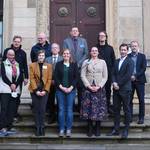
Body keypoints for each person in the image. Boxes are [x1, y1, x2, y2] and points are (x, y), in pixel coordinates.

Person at [80, 47, 108, 137]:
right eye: (92, 51)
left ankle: (97, 128)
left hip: (99, 88)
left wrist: (99, 86)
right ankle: (90, 128)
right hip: (88, 89)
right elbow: (82, 75)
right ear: (90, 52)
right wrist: (88, 86)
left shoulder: (103, 62)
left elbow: (105, 76)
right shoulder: (86, 62)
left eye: (96, 51)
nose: (94, 52)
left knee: (99, 108)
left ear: (98, 52)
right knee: (88, 109)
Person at [108, 43, 133, 139]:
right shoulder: (116, 61)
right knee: (116, 110)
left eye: (124, 50)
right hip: (116, 90)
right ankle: (116, 129)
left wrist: (118, 84)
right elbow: (113, 73)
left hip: (125, 89)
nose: (123, 51)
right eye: (121, 50)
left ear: (127, 51)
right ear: (119, 50)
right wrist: (114, 82)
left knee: (126, 110)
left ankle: (126, 129)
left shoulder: (130, 61)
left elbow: (128, 75)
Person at [2, 35, 28, 122]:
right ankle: (6, 117)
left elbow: (25, 66)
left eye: (18, 42)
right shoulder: (7, 51)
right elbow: (3, 65)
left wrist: (26, 77)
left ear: (20, 43)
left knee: (16, 97)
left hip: (18, 79)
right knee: (6, 98)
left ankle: (14, 114)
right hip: (7, 80)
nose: (16, 43)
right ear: (13, 42)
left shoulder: (23, 53)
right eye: (15, 41)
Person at [54, 49, 78, 137]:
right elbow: (56, 77)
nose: (66, 55)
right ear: (62, 55)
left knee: (69, 110)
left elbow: (76, 78)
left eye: (67, 53)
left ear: (70, 55)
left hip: (71, 91)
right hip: (60, 90)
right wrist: (62, 87)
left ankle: (68, 129)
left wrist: (70, 88)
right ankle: (61, 129)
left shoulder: (74, 64)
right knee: (61, 109)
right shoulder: (58, 64)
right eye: (64, 53)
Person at [63, 27, 88, 111]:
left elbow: (86, 54)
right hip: (70, 69)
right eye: (73, 31)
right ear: (70, 32)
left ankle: (81, 108)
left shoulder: (83, 41)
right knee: (71, 88)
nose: (74, 32)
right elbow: (66, 53)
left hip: (81, 69)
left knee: (81, 89)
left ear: (78, 32)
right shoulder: (66, 41)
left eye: (76, 31)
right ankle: (72, 107)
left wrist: (79, 63)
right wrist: (73, 64)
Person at [28, 50, 52, 136]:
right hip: (34, 90)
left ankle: (42, 127)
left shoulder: (48, 66)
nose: (41, 57)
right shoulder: (32, 65)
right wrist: (36, 91)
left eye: (42, 55)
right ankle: (37, 127)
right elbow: (32, 78)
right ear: (37, 56)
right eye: (40, 55)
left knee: (42, 109)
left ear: (44, 56)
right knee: (36, 109)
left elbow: (49, 79)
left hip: (44, 90)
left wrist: (45, 91)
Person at [0, 49, 23, 136]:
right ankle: (2, 127)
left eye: (12, 55)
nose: (11, 57)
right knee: (4, 108)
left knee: (12, 109)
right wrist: (11, 84)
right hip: (5, 89)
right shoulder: (3, 63)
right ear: (7, 55)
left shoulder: (17, 64)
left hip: (15, 90)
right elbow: (3, 75)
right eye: (9, 55)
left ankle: (9, 126)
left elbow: (20, 75)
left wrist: (15, 85)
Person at [96, 31, 116, 114]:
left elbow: (113, 61)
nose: (101, 37)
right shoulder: (95, 48)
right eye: (100, 36)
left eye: (103, 36)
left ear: (106, 37)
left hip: (108, 73)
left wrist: (112, 74)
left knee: (108, 91)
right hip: (97, 74)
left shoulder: (110, 48)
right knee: (97, 90)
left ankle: (107, 107)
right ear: (98, 37)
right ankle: (98, 107)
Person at [128, 41, 147, 124]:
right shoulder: (127, 56)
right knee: (129, 100)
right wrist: (129, 76)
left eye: (135, 46)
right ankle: (129, 117)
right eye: (132, 46)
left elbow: (143, 68)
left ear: (138, 47)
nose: (134, 47)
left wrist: (135, 76)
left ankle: (141, 118)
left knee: (141, 100)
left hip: (140, 81)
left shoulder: (142, 56)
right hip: (129, 81)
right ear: (130, 47)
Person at [45, 43, 63, 124]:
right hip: (50, 83)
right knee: (51, 101)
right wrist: (50, 80)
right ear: (51, 50)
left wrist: (57, 80)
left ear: (59, 49)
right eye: (53, 48)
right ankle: (51, 117)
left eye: (56, 48)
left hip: (60, 84)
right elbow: (45, 71)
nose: (55, 49)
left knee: (60, 101)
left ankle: (59, 118)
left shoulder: (62, 59)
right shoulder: (47, 59)